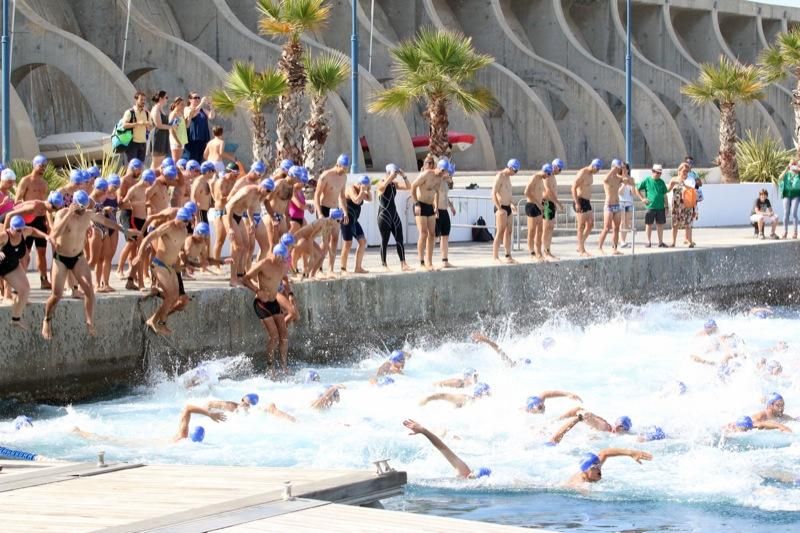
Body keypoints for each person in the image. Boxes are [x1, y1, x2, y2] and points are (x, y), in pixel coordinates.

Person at [43, 191, 121, 339]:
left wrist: (123, 229)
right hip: (61, 258)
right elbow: (54, 234)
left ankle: (89, 321)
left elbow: (106, 222)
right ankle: (46, 320)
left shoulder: (88, 214)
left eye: (84, 209)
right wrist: (68, 215)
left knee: (89, 291)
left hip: (78, 257)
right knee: (56, 295)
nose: (82, 212)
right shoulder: (62, 213)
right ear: (73, 205)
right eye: (79, 209)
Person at [132, 208, 192, 334]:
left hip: (171, 267)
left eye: (188, 222)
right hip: (159, 265)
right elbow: (147, 238)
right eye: (185, 221)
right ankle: (156, 321)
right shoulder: (168, 227)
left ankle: (158, 318)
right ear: (178, 218)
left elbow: (179, 250)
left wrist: (186, 263)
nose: (186, 224)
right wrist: (139, 255)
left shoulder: (184, 230)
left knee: (176, 297)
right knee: (171, 296)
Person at [242, 243, 292, 376]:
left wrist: (290, 294)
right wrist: (257, 290)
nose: (282, 260)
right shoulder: (264, 264)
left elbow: (285, 279)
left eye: (284, 258)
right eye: (280, 257)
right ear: (275, 254)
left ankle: (284, 366)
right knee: (274, 336)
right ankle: (270, 367)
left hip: (274, 302)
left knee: (284, 335)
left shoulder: (282, 265)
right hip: (261, 303)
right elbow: (245, 279)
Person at [0, 216, 48, 328]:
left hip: (10, 266)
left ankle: (15, 319)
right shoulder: (4, 236)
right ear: (10, 228)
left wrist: (47, 237)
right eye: (17, 230)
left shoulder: (24, 231)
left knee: (25, 289)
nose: (20, 232)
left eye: (22, 229)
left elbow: (34, 231)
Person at [402, 419, 491, 479]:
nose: (470, 478)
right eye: (472, 476)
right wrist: (424, 431)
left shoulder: (464, 476)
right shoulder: (464, 472)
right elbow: (443, 448)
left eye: (473, 477)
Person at [225, 179, 274, 286]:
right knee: (237, 247)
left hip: (238, 216)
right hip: (229, 215)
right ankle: (232, 278)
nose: (268, 193)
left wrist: (251, 221)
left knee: (246, 247)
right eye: (267, 190)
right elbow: (229, 206)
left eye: (270, 191)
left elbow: (250, 209)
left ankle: (240, 276)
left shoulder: (259, 195)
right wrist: (230, 228)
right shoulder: (247, 191)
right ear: (262, 186)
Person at [16, 155, 52, 288]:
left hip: (40, 219)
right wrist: (31, 206)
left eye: (45, 166)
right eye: (41, 165)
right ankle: (20, 281)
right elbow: (17, 201)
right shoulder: (26, 181)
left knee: (41, 251)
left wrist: (49, 222)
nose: (43, 168)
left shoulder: (44, 183)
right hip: (27, 219)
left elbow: (46, 204)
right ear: (34, 165)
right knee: (24, 252)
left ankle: (44, 280)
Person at [314, 154, 350, 274]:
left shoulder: (344, 177)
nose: (344, 171)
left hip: (335, 211)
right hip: (324, 209)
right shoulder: (326, 176)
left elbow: (342, 196)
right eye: (343, 168)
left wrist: (345, 212)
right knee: (325, 241)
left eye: (346, 169)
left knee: (334, 239)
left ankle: (330, 269)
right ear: (337, 164)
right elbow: (317, 196)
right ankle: (318, 268)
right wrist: (319, 213)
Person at [411, 156, 447, 270]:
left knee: (432, 234)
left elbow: (436, 192)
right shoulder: (426, 174)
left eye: (445, 173)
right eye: (443, 172)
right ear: (439, 168)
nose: (443, 175)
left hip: (430, 206)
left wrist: (436, 206)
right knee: (423, 233)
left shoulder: (440, 178)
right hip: (420, 205)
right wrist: (416, 203)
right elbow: (413, 186)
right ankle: (421, 262)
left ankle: (429, 262)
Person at [377, 163, 411, 271]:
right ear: (388, 173)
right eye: (394, 173)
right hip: (384, 216)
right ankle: (384, 264)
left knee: (399, 238)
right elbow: (382, 188)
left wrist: (403, 175)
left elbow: (408, 187)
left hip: (394, 215)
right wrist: (390, 176)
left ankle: (403, 263)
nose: (395, 175)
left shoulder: (393, 184)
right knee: (385, 240)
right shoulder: (381, 182)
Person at [597, 159, 634, 255]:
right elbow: (605, 179)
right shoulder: (608, 178)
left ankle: (614, 248)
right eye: (618, 168)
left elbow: (630, 182)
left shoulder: (619, 178)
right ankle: (600, 247)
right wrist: (613, 169)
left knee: (616, 228)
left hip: (617, 205)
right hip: (608, 205)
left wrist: (624, 172)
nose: (619, 170)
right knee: (606, 228)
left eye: (620, 168)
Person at [567, 448, 652, 486]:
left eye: (598, 464)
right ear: (586, 470)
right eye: (595, 466)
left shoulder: (593, 469)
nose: (599, 467)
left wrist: (630, 453)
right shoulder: (580, 483)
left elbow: (605, 452)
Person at [340, 175, 370, 274]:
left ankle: (358, 268)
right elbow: (356, 200)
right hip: (346, 219)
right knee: (347, 243)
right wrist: (362, 191)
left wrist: (368, 190)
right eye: (363, 186)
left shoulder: (361, 189)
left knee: (362, 242)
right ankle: (343, 269)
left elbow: (370, 199)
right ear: (359, 184)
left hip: (354, 220)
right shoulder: (351, 188)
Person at [572, 159, 601, 257]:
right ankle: (582, 250)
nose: (597, 172)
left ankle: (580, 245)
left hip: (587, 202)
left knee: (591, 224)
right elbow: (573, 187)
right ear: (593, 166)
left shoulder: (591, 174)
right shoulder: (582, 173)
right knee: (581, 226)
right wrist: (576, 203)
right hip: (580, 200)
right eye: (596, 170)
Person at [492, 159, 519, 263]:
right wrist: (499, 208)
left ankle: (508, 255)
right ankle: (495, 256)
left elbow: (507, 193)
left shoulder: (508, 177)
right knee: (500, 232)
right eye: (515, 171)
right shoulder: (500, 176)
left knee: (509, 232)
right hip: (501, 207)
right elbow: (493, 193)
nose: (515, 174)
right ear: (510, 167)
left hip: (508, 207)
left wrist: (512, 204)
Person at [202, 393, 296, 422]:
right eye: (244, 402)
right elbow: (209, 404)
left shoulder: (256, 412)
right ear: (241, 400)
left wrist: (292, 419)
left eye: (248, 404)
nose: (245, 405)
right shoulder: (232, 407)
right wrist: (206, 413)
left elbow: (272, 408)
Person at [637, 164, 669, 247]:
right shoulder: (647, 180)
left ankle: (660, 242)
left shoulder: (661, 182)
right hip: (650, 206)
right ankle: (648, 241)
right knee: (649, 224)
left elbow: (665, 195)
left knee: (660, 224)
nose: (658, 174)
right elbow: (637, 189)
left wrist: (667, 206)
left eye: (660, 173)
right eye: (657, 172)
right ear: (653, 171)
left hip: (660, 207)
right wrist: (642, 199)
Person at [668, 163, 697, 247]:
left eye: (687, 171)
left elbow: (692, 188)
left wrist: (683, 184)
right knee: (675, 223)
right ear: (679, 171)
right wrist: (672, 183)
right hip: (676, 205)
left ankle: (688, 240)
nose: (685, 173)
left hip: (687, 204)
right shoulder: (674, 179)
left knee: (688, 223)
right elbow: (668, 190)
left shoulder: (690, 179)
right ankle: (673, 242)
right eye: (684, 171)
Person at [435, 162, 457, 268]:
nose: (449, 175)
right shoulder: (436, 180)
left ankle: (445, 260)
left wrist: (451, 206)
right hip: (437, 210)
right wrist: (435, 209)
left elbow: (445, 195)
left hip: (444, 211)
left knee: (445, 236)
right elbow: (435, 195)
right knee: (433, 238)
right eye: (448, 172)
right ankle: (427, 261)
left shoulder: (444, 182)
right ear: (443, 170)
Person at [542, 158, 564, 260]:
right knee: (546, 228)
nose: (560, 172)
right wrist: (558, 203)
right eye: (560, 169)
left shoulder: (553, 176)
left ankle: (548, 250)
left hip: (551, 203)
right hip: (547, 203)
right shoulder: (548, 175)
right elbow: (548, 191)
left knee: (550, 228)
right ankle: (544, 251)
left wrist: (555, 203)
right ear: (555, 167)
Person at [524, 163, 547, 261]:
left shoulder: (542, 180)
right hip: (532, 206)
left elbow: (542, 193)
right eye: (548, 174)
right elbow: (526, 192)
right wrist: (538, 203)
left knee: (540, 230)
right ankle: (531, 252)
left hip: (539, 206)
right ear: (544, 171)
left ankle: (539, 252)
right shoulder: (534, 178)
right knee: (532, 231)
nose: (548, 177)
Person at [185, 92, 215, 163]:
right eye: (195, 98)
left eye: (198, 97)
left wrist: (211, 106)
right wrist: (201, 103)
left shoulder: (202, 109)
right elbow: (193, 114)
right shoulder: (187, 108)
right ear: (190, 100)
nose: (198, 99)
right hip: (192, 138)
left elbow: (211, 116)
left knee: (200, 159)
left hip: (202, 138)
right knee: (192, 159)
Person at [121, 91, 150, 164]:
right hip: (132, 143)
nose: (143, 102)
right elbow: (124, 125)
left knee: (140, 166)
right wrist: (137, 124)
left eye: (144, 100)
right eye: (141, 100)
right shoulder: (130, 112)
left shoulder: (146, 113)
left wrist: (148, 124)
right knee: (132, 166)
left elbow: (150, 125)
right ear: (136, 100)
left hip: (143, 142)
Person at [150, 90, 174, 170]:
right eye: (166, 97)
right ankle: (149, 179)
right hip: (158, 137)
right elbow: (158, 125)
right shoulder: (156, 109)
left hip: (163, 136)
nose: (167, 99)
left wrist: (171, 124)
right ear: (161, 98)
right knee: (156, 163)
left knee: (161, 162)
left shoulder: (161, 109)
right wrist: (171, 127)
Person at [419, 382, 491, 408]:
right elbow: (443, 395)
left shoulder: (481, 405)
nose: (489, 396)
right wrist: (428, 399)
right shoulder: (465, 399)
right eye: (488, 394)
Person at [778, 161, 800, 239]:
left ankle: (795, 232)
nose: (794, 166)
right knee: (786, 213)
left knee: (794, 213)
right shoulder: (787, 174)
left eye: (795, 165)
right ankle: (785, 232)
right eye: (792, 165)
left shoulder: (798, 174)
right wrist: (786, 169)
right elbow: (780, 178)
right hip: (786, 195)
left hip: (796, 195)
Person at [618, 163, 636, 248]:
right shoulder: (619, 178)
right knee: (622, 222)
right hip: (621, 202)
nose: (623, 170)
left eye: (625, 168)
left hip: (629, 203)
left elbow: (633, 193)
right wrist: (624, 184)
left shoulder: (631, 179)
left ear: (628, 169)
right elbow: (619, 192)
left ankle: (623, 240)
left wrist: (632, 185)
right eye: (622, 168)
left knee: (627, 222)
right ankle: (621, 241)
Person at [168, 96, 188, 163]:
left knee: (179, 161)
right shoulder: (174, 114)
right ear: (176, 104)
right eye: (181, 104)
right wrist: (178, 141)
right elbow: (171, 130)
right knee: (176, 160)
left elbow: (184, 126)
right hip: (176, 141)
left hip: (181, 139)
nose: (183, 106)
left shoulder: (181, 114)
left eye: (183, 104)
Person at [724, 415, 792, 434]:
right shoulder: (730, 428)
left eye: (747, 429)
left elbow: (764, 424)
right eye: (743, 429)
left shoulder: (754, 426)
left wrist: (782, 427)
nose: (745, 431)